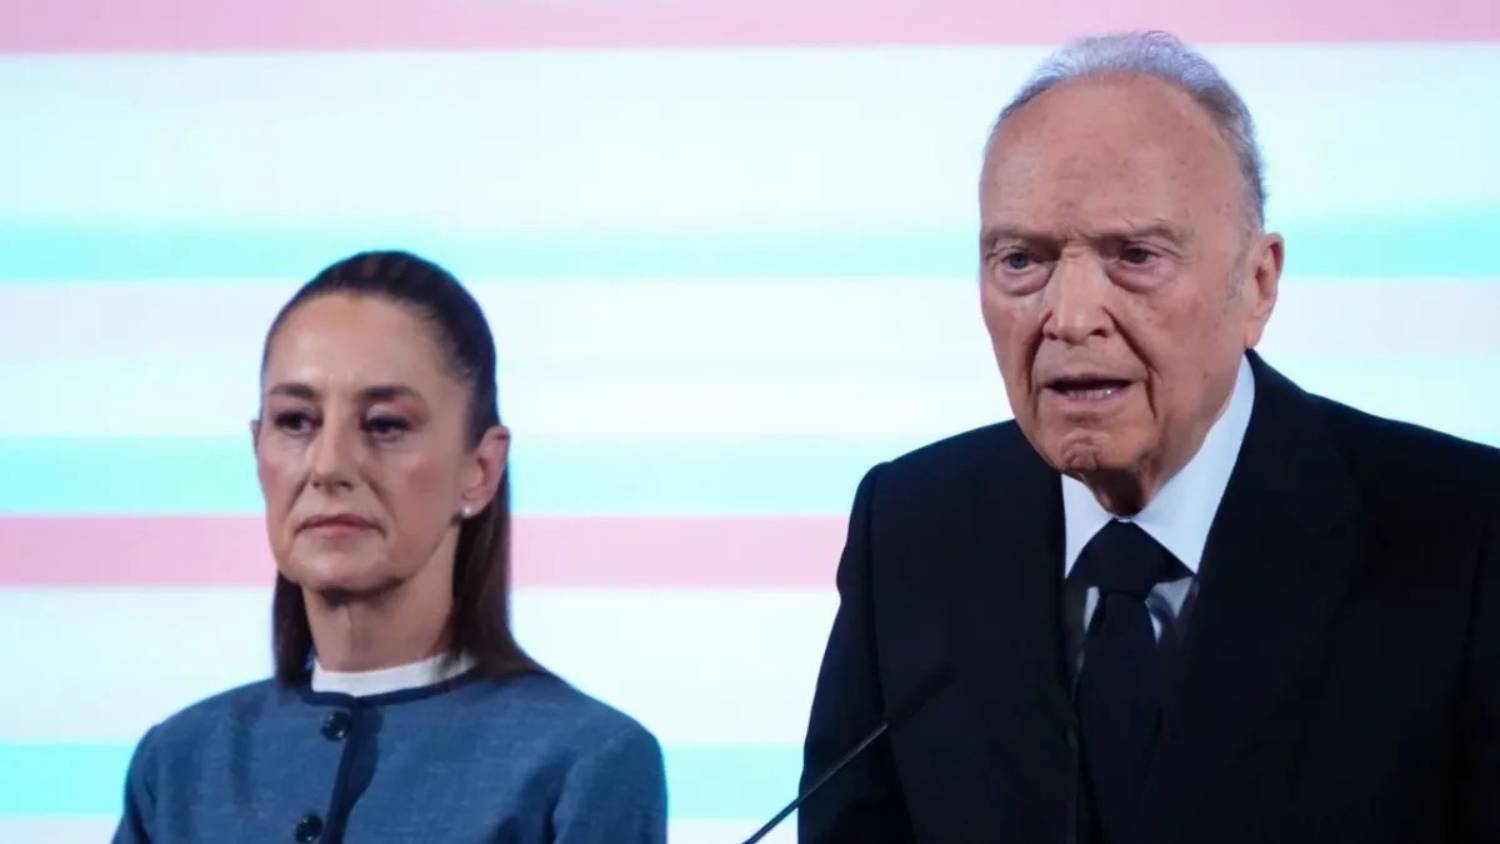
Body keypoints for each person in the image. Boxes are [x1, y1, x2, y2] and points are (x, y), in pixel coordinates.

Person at [800, 31, 1500, 844]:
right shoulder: (911, 529)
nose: (1070, 318)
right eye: (1021, 261)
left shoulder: (1464, 535)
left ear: (1258, 285)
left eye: (1135, 255)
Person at [114, 251, 667, 843]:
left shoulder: (585, 763)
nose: (329, 466)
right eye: (296, 421)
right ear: (257, 451)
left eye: (384, 424)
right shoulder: (177, 767)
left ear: (480, 468)